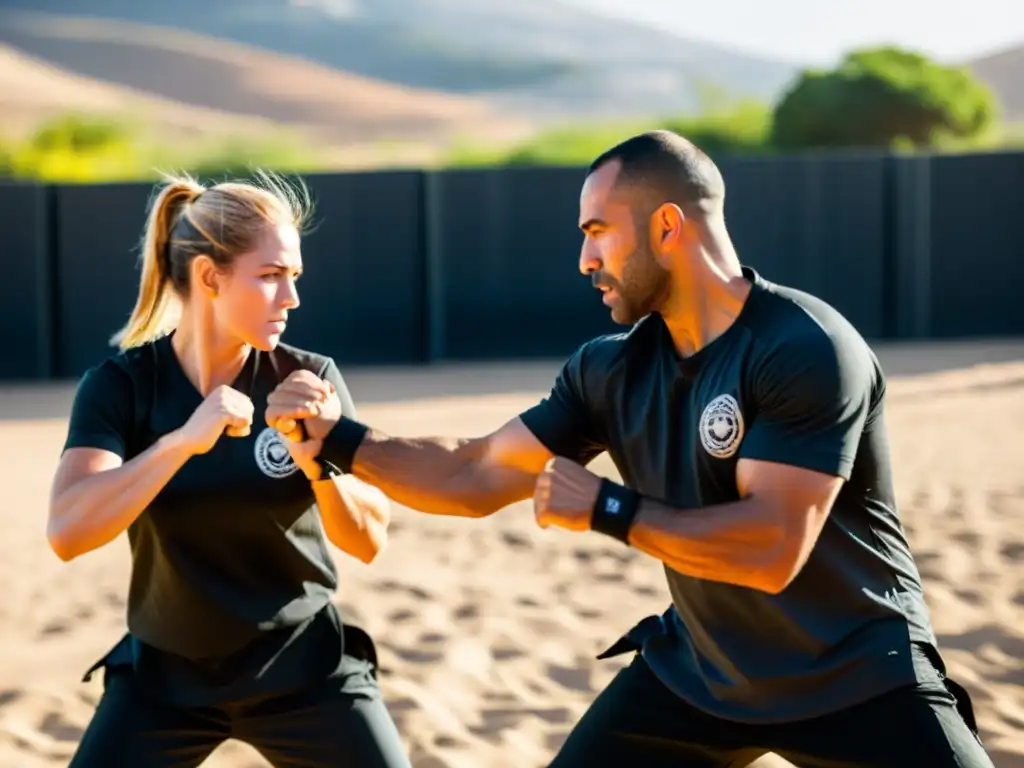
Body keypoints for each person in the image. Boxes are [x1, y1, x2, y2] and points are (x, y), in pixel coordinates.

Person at [264, 131, 995, 767]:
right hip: (701, 677)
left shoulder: (803, 347)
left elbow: (772, 547)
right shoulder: (609, 369)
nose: (584, 259)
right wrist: (339, 441)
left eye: (597, 231)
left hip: (856, 678)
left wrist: (610, 508)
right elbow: (473, 471)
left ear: (668, 225)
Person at [48, 172, 411, 768]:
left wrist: (319, 462)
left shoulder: (310, 379)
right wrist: (180, 443)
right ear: (210, 277)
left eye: (293, 276)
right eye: (270, 277)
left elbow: (369, 540)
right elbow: (67, 531)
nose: (291, 297)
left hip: (305, 669)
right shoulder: (121, 387)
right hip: (165, 679)